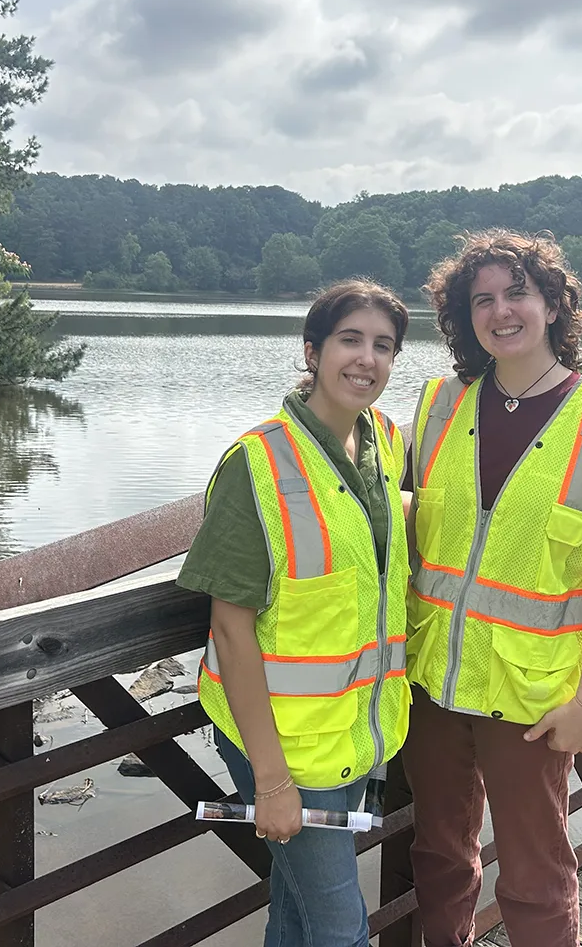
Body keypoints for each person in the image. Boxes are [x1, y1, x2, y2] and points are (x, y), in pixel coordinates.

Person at [402, 230, 582, 947]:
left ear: (552, 304)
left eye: (517, 292)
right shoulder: (437, 407)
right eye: (481, 299)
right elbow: (396, 519)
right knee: (439, 857)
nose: (500, 311)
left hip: (531, 697)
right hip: (430, 683)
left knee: (536, 873)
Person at [180, 278, 413, 947]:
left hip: (351, 735)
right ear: (312, 351)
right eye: (349, 340)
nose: (366, 359)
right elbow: (229, 626)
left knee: (297, 910)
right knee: (343, 929)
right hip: (280, 747)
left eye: (383, 345)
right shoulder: (257, 464)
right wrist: (273, 780)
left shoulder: (385, 444)